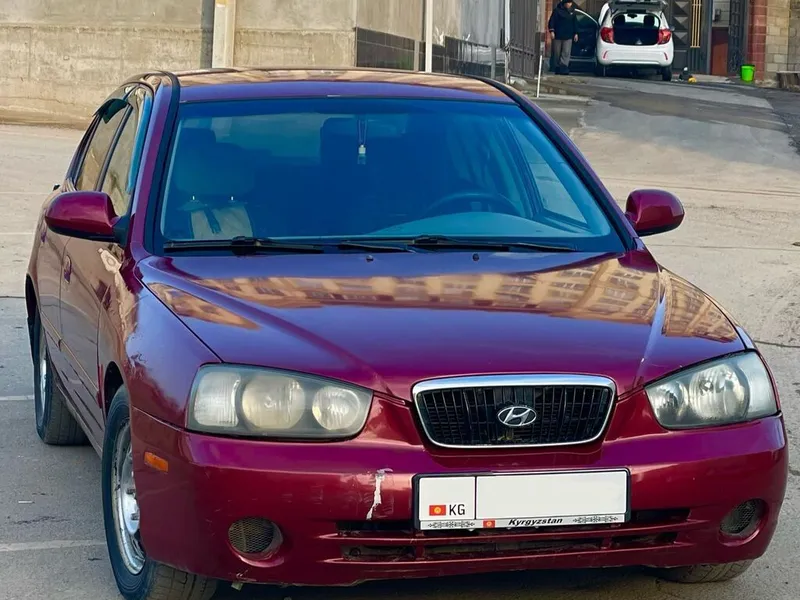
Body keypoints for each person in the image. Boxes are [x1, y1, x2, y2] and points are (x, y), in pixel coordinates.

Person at [548, 0, 579, 75]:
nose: (569, 4)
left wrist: (576, 33)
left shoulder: (572, 12)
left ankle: (564, 67)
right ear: (564, 3)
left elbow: (575, 23)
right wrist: (552, 31)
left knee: (566, 52)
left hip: (568, 35)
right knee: (557, 52)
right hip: (558, 35)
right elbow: (552, 21)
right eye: (568, 3)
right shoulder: (557, 11)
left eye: (570, 3)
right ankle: (557, 67)